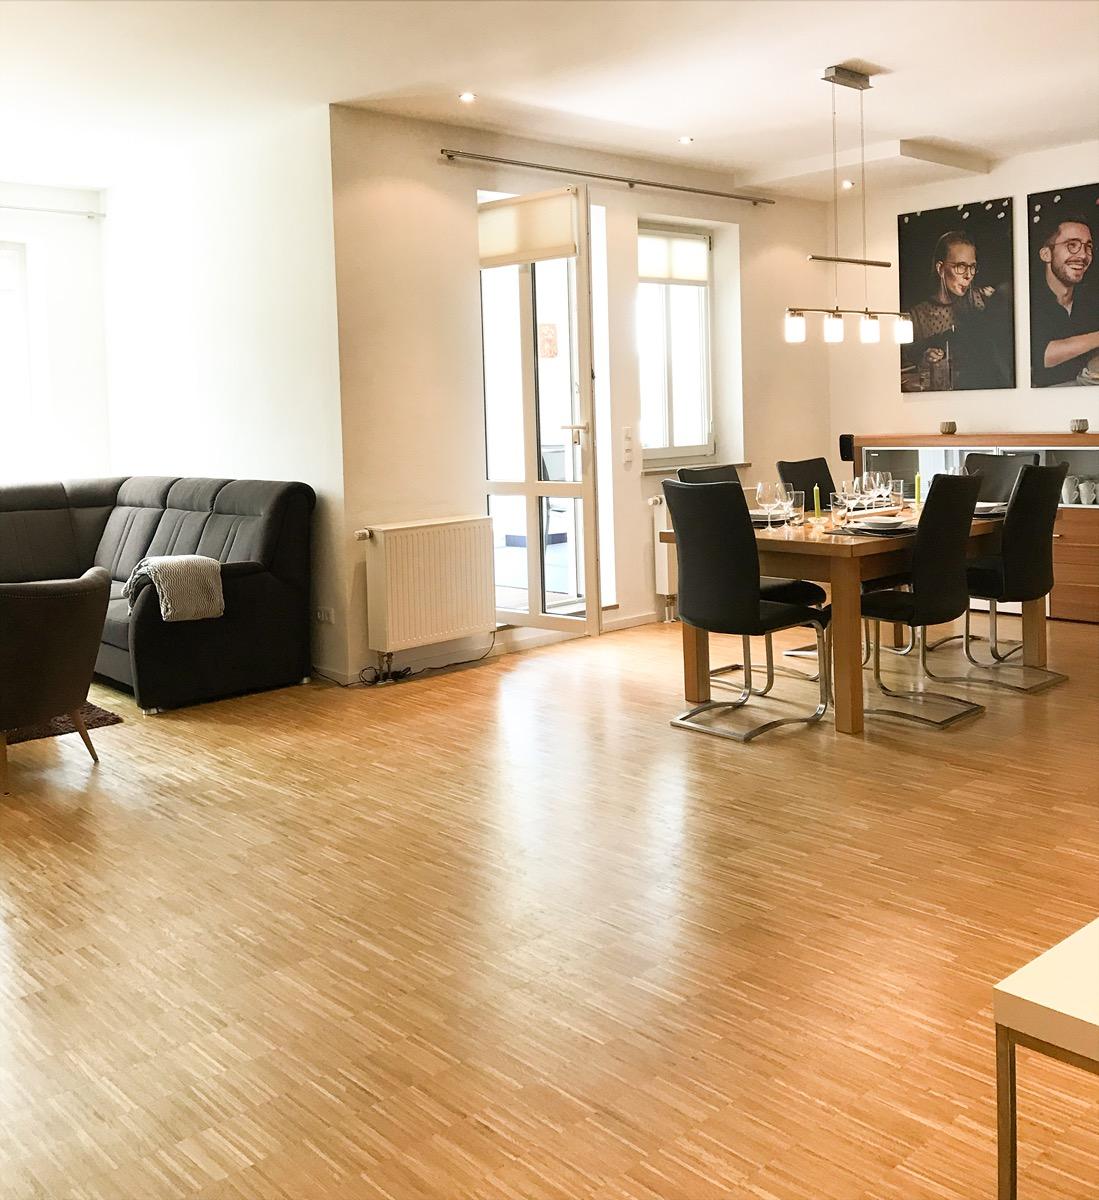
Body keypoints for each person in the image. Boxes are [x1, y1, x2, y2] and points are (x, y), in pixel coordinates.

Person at [904, 230, 1012, 391]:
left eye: (972, 267)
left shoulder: (985, 303)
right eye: (960, 267)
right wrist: (924, 361)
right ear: (940, 268)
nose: (968, 275)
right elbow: (904, 370)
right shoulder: (917, 316)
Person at [1030, 215, 1099, 387]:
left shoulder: (1090, 299)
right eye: (1072, 245)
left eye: (1088, 247)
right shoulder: (1023, 299)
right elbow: (1039, 356)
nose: (1083, 255)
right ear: (1046, 254)